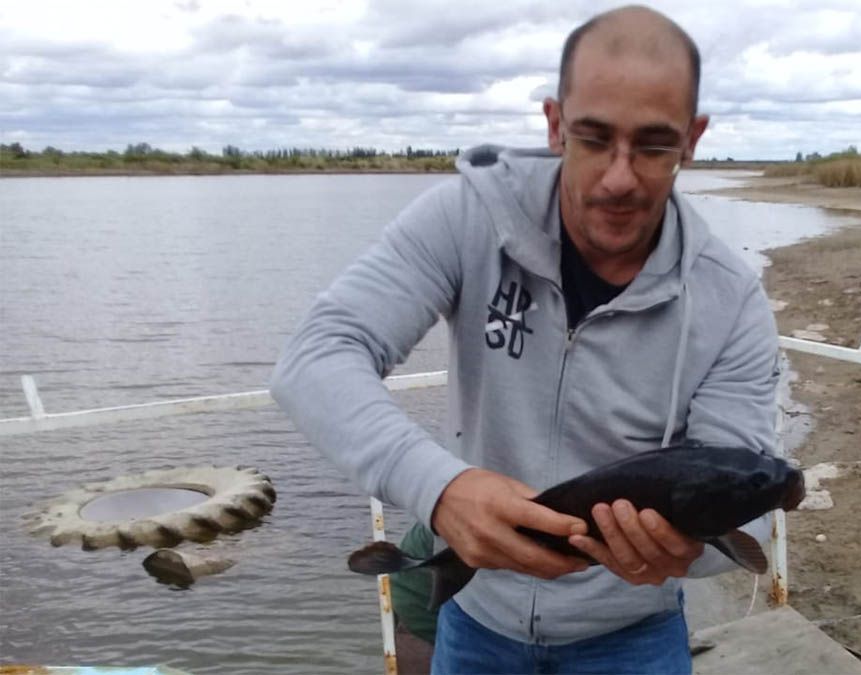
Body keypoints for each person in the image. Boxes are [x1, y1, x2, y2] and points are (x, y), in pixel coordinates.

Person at [269, 5, 780, 674]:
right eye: (593, 138)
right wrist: (442, 490)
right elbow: (314, 357)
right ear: (554, 124)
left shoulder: (730, 299)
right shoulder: (466, 217)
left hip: (634, 632)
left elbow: (751, 504)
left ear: (693, 138)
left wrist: (688, 550)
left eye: (653, 145)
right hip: (477, 623)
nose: (619, 177)